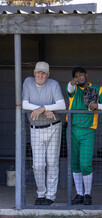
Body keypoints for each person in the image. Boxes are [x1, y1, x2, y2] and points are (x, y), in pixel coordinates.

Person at [67, 67, 102, 205]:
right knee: (75, 164)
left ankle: (87, 194)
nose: (79, 78)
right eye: (76, 76)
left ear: (86, 75)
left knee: (85, 163)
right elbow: (69, 89)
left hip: (88, 129)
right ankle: (79, 194)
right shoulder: (73, 88)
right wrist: (72, 82)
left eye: (81, 75)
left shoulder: (98, 89)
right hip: (72, 129)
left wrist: (96, 105)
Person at [22, 61, 66, 205]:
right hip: (35, 128)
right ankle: (41, 193)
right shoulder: (28, 82)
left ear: (48, 74)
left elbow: (61, 105)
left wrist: (43, 108)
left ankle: (50, 196)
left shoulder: (53, 84)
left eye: (43, 73)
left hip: (53, 126)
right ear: (34, 73)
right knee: (38, 165)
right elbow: (24, 104)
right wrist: (44, 109)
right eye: (37, 73)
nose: (40, 76)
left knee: (52, 163)